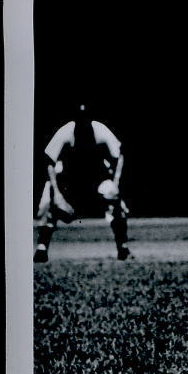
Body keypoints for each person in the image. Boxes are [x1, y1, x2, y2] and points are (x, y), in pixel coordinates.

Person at [34, 104, 131, 262]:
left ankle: (123, 246)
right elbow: (49, 161)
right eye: (80, 119)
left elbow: (118, 156)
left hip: (96, 181)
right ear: (75, 120)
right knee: (47, 198)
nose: (83, 122)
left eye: (86, 119)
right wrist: (57, 194)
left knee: (116, 200)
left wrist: (116, 184)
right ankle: (42, 247)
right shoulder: (66, 132)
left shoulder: (100, 131)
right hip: (69, 184)